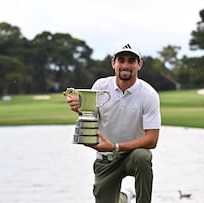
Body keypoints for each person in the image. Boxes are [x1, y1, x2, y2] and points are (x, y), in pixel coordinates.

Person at [65, 42, 161, 203]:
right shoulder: (100, 86)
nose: (125, 65)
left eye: (131, 60)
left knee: (143, 157)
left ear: (139, 65)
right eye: (121, 60)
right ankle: (123, 197)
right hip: (105, 159)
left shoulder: (148, 94)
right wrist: (80, 110)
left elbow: (152, 140)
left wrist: (116, 147)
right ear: (113, 63)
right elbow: (91, 118)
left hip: (133, 154)